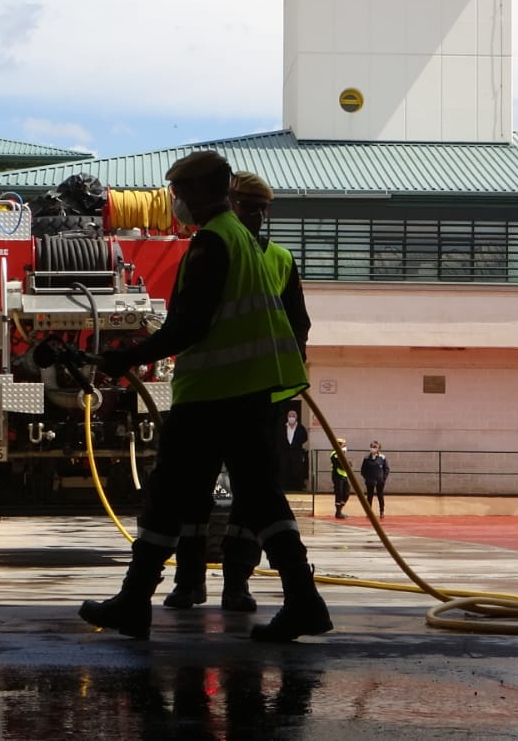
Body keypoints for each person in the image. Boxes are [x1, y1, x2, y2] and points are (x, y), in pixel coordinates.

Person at [81, 149, 331, 642]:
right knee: (261, 499)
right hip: (250, 394)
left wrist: (125, 357)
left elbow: (188, 326)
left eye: (179, 192)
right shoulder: (240, 239)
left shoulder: (212, 243)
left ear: (200, 190)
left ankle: (135, 602)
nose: (176, 201)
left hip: (214, 396)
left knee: (169, 495)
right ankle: (303, 600)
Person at [162, 170, 311, 614]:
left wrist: (283, 390)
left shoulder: (279, 259)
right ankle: (189, 582)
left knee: (252, 499)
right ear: (229, 203)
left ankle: (237, 584)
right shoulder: (212, 246)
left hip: (256, 398)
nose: (257, 216)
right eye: (248, 206)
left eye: (263, 208)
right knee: (195, 494)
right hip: (214, 392)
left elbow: (297, 326)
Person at [359, 440, 390, 517]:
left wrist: (383, 478)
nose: (373, 448)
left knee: (380, 496)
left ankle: (382, 511)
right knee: (369, 496)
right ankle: (369, 512)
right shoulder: (366, 458)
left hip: (380, 481)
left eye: (375, 447)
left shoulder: (382, 457)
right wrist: (367, 478)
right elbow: (363, 470)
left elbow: (386, 469)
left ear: (378, 448)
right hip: (369, 481)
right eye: (372, 447)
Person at [283, 408, 310, 492]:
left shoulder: (301, 428)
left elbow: (305, 438)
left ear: (296, 417)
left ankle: (298, 488)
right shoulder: (283, 427)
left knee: (297, 470)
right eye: (290, 415)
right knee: (285, 470)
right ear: (287, 417)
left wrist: (296, 444)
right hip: (285, 453)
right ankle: (286, 487)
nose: (291, 417)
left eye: (293, 415)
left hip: (297, 453)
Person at [331, 438, 352, 519]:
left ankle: (339, 511)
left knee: (346, 493)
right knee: (339, 493)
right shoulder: (335, 454)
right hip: (337, 476)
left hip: (344, 476)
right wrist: (348, 465)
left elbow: (348, 464)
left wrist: (348, 465)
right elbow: (341, 465)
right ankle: (338, 512)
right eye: (343, 445)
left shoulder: (342, 454)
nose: (345, 446)